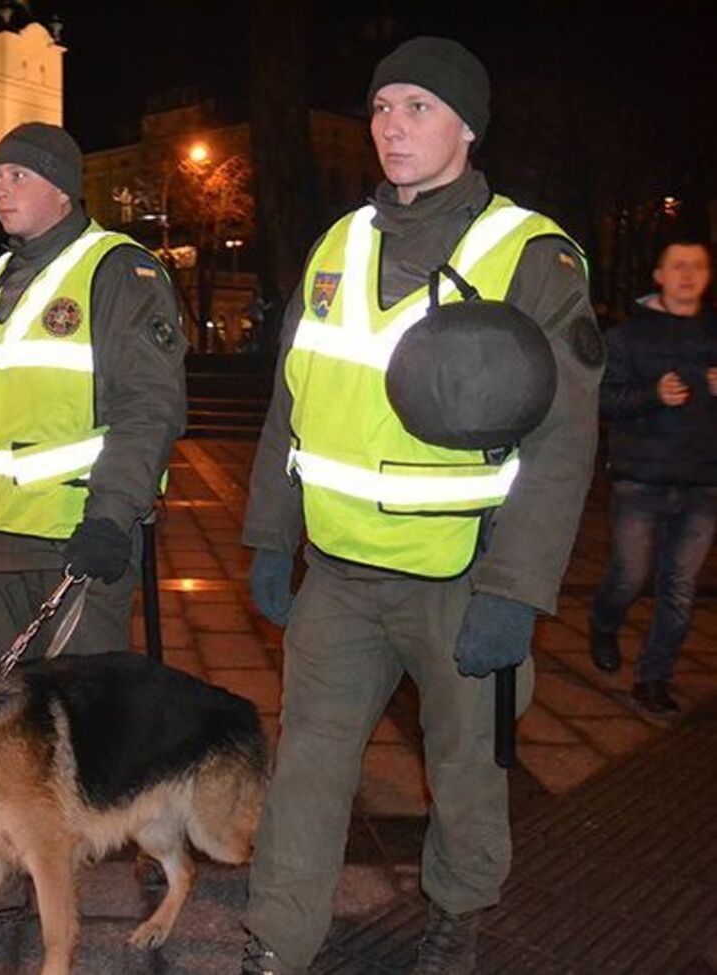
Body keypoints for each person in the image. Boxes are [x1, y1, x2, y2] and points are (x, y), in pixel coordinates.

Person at [240, 37, 604, 975]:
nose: (393, 128)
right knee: (308, 771)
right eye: (382, 108)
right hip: (343, 575)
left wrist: (517, 591)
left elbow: (563, 438)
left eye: (419, 108)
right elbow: (292, 397)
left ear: (468, 126)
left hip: (465, 576)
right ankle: (278, 941)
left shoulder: (531, 253)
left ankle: (456, 917)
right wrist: (272, 534)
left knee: (469, 777)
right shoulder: (338, 241)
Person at [0, 121, 187, 661]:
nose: (2, 189)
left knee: (75, 722)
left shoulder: (118, 270)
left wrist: (110, 518)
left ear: (62, 188)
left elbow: (149, 408)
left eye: (19, 175)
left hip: (73, 537)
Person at [588, 238, 716, 714]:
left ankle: (653, 679)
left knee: (680, 589)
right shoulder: (627, 338)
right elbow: (601, 398)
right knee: (629, 576)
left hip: (704, 483)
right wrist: (651, 394)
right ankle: (604, 621)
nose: (688, 274)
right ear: (659, 276)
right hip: (640, 479)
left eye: (698, 266)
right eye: (677, 266)